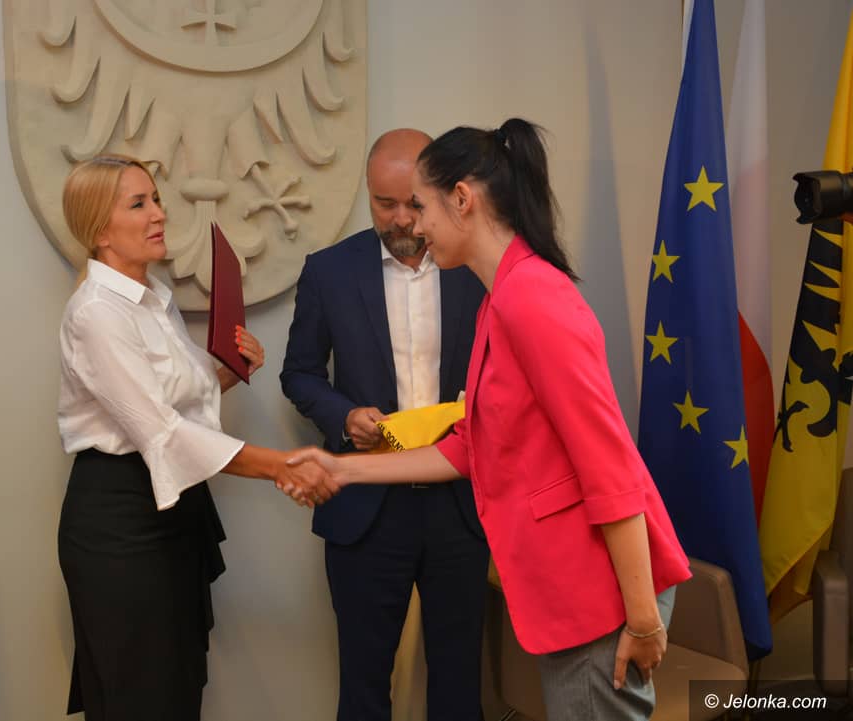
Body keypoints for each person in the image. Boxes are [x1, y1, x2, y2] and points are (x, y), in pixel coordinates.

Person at [288, 120, 692, 721]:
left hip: (598, 590)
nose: (415, 226)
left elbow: (609, 467)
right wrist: (340, 469)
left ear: (462, 199)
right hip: (574, 589)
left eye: (421, 206)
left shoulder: (530, 298)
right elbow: (469, 446)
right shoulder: (503, 296)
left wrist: (642, 616)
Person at [56, 153, 333, 721]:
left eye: (156, 199)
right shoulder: (97, 314)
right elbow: (162, 432)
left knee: (177, 684)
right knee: (140, 695)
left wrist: (227, 373)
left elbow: (170, 400)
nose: (159, 213)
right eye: (139, 204)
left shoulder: (155, 298)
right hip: (120, 521)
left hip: (172, 511)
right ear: (100, 230)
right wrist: (278, 465)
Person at [281, 128, 489, 721]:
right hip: (367, 511)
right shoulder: (329, 272)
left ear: (443, 193)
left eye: (413, 204)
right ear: (366, 194)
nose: (400, 219)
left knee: (459, 685)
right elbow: (299, 374)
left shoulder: (477, 266)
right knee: (364, 687)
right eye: (383, 203)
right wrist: (343, 416)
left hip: (460, 506)